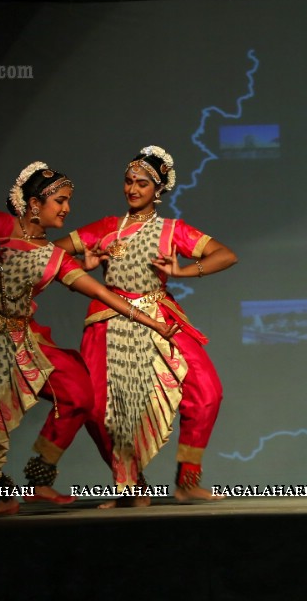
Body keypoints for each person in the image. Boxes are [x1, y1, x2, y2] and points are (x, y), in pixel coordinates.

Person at [0, 161, 178, 517]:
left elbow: (103, 293)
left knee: (77, 390)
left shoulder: (55, 257)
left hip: (20, 338)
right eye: (60, 200)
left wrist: (150, 322)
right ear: (34, 204)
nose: (67, 208)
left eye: (68, 201)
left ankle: (39, 476)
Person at [55, 145, 237, 504]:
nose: (132, 189)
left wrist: (183, 271)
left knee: (207, 392)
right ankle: (131, 486)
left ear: (158, 189)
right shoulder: (105, 228)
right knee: (99, 409)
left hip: (159, 317)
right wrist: (84, 265)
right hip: (108, 321)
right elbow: (50, 254)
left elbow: (225, 254)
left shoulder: (173, 230)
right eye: (128, 181)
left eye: (142, 183)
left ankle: (187, 480)